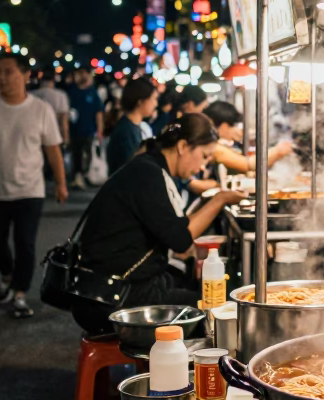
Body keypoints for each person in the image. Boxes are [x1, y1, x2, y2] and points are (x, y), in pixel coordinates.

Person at [71, 114, 246, 334]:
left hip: (117, 288)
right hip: (112, 298)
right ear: (183, 146)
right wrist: (220, 199)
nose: (202, 167)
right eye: (203, 156)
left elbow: (176, 227)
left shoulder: (149, 166)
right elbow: (181, 240)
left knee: (210, 295)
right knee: (220, 314)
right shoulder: (148, 174)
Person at [0, 54, 67, 319]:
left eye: (9, 72)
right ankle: (7, 274)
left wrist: (60, 183)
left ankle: (20, 293)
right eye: (0, 72)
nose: (2, 77)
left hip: (29, 190)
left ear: (25, 76)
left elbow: (52, 150)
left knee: (25, 243)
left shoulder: (40, 109)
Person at [203, 100, 292, 181]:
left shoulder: (219, 145)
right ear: (224, 126)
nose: (237, 129)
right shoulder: (216, 148)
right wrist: (278, 151)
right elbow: (248, 165)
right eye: (234, 125)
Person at [107, 78, 160, 175]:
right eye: (154, 99)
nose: (156, 104)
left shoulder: (133, 126)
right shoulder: (127, 131)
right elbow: (131, 167)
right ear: (140, 102)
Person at [66, 66, 104, 189]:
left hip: (89, 130)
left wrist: (99, 131)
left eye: (83, 73)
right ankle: (77, 176)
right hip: (74, 130)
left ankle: (86, 175)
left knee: (88, 154)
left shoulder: (93, 92)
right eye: (78, 73)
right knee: (75, 154)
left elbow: (99, 113)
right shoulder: (72, 91)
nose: (80, 76)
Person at [30, 71, 70, 144]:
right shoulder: (61, 95)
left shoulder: (31, 95)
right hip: (55, 134)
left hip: (34, 134)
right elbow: (64, 119)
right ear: (53, 81)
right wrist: (66, 138)